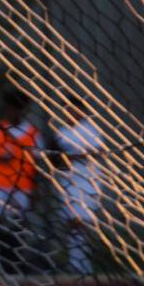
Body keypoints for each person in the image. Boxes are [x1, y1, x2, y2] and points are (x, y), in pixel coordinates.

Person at [49, 95, 104, 275]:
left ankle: (82, 265)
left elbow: (98, 152)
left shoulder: (89, 130)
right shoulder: (61, 132)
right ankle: (76, 264)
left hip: (87, 182)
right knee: (71, 224)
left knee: (81, 223)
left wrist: (73, 157)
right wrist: (60, 159)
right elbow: (55, 158)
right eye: (67, 108)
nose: (70, 112)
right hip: (67, 182)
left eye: (74, 108)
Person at [0, 89, 43, 220]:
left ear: (23, 110)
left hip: (23, 188)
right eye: (9, 108)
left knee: (18, 224)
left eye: (16, 108)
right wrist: (1, 158)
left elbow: (38, 164)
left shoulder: (32, 133)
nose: (11, 112)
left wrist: (36, 189)